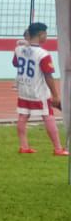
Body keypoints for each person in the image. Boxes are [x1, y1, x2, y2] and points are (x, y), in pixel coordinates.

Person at [14, 22, 66, 155]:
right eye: (46, 34)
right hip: (38, 91)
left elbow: (15, 63)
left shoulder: (19, 49)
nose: (46, 37)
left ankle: (24, 146)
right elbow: (48, 75)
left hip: (24, 89)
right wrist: (55, 95)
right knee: (48, 116)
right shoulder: (43, 53)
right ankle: (58, 149)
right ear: (40, 34)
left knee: (23, 115)